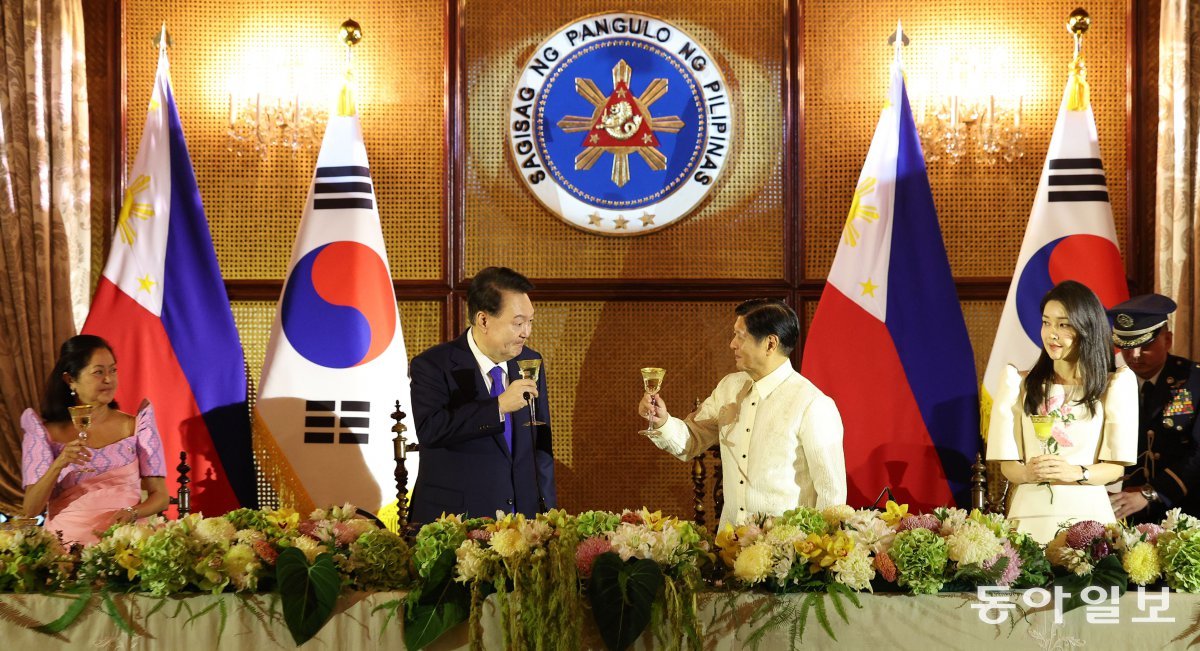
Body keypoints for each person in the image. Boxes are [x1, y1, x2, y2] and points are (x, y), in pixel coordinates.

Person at [638, 299, 846, 526]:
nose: (732, 344)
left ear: (770, 344)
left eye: (741, 336)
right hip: (729, 545)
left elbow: (831, 495)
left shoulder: (812, 404)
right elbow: (691, 441)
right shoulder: (729, 387)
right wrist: (662, 421)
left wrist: (814, 554)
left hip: (786, 553)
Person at [986, 281, 1138, 543]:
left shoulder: (1115, 385)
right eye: (1047, 322)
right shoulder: (1017, 382)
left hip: (1090, 518)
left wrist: (1077, 473)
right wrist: (1026, 474)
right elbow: (1008, 464)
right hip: (1029, 517)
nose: (1051, 334)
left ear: (1087, 328)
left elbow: (1115, 468)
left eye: (1064, 324)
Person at [408, 267, 556, 522]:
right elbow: (431, 430)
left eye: (530, 321)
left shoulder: (530, 361)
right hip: (456, 520)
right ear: (484, 320)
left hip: (523, 521)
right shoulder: (433, 365)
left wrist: (546, 511)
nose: (526, 332)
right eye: (518, 323)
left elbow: (540, 447)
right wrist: (497, 407)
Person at [21, 335, 169, 545]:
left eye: (113, 370)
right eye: (99, 372)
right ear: (70, 379)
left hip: (127, 550)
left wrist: (131, 513)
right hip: (66, 552)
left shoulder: (135, 426)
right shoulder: (44, 433)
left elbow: (160, 496)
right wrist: (59, 463)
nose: (109, 379)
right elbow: (30, 509)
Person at [1105, 294, 1200, 522]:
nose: (1134, 356)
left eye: (1144, 345)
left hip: (1185, 512)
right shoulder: (1112, 383)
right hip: (1129, 514)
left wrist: (1152, 493)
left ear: (1167, 340)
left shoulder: (1194, 380)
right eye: (1127, 346)